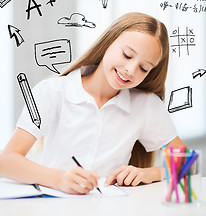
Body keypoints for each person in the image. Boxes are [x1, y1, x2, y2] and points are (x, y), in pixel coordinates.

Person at [0, 12, 186, 195]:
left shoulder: (146, 105)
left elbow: (187, 161)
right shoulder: (52, 91)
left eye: (144, 68)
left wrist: (150, 173)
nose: (130, 70)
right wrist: (59, 179)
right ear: (108, 43)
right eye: (127, 55)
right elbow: (6, 161)